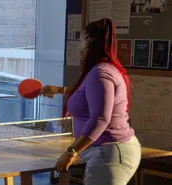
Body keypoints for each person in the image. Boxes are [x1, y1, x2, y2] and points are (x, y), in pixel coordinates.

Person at [41, 18, 141, 185]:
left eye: (80, 39)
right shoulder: (102, 70)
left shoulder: (100, 73)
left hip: (109, 154)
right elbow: (90, 96)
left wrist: (71, 151)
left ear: (88, 42)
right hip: (107, 151)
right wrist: (59, 90)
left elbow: (100, 118)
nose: (78, 45)